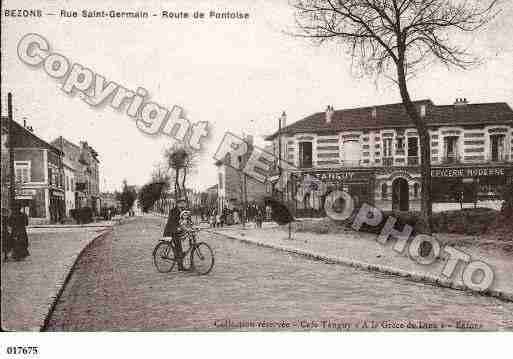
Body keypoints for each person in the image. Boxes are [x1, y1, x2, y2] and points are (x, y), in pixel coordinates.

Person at [163, 197, 188, 271]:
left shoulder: (183, 211)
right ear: (178, 204)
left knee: (180, 247)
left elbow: (186, 220)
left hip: (177, 231)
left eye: (184, 202)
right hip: (171, 231)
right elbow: (171, 222)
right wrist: (177, 228)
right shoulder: (173, 211)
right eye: (182, 202)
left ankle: (180, 265)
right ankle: (180, 266)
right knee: (178, 248)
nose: (184, 204)